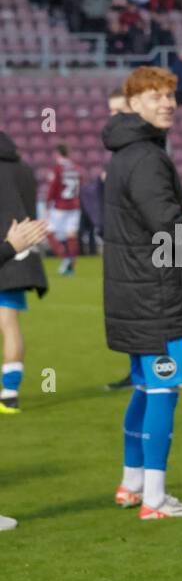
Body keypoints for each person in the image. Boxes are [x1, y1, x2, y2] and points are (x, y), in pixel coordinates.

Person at [102, 66, 182, 518]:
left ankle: (132, 484)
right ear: (133, 105)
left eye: (170, 95)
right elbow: (167, 227)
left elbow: (159, 210)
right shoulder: (148, 157)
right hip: (158, 296)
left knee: (144, 388)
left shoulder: (129, 152)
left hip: (131, 295)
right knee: (165, 390)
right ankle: (155, 498)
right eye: (154, 97)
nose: (167, 103)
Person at [0, 134, 52, 416]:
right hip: (22, 253)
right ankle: (10, 393)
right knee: (9, 323)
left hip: (6, 250)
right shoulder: (24, 169)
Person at [45, 143, 82, 276]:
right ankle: (72, 265)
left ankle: (65, 259)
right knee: (71, 236)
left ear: (57, 153)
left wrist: (48, 203)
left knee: (49, 233)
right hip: (74, 206)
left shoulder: (58, 168)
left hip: (60, 206)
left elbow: (53, 187)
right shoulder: (76, 167)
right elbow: (81, 183)